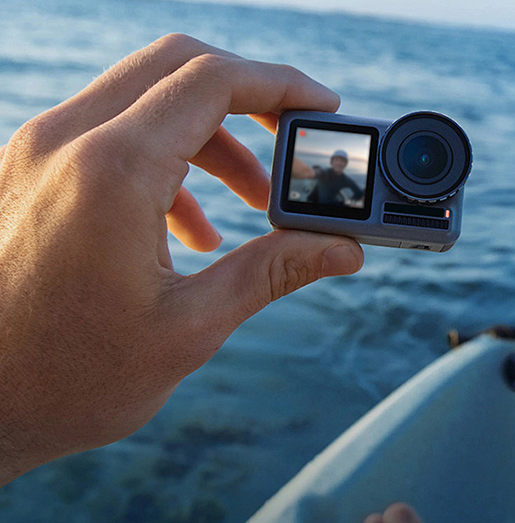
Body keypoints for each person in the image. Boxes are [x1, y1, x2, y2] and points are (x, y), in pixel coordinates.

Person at [0, 33, 424, 522]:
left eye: (338, 161)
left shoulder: (339, 182)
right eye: (334, 159)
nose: (336, 164)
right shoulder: (330, 182)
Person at [292, 148, 366, 206]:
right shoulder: (324, 172)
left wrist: (350, 202)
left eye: (342, 161)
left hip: (334, 205)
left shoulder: (346, 179)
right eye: (336, 160)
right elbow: (308, 172)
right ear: (332, 162)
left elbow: (360, 194)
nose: (339, 163)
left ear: (345, 164)